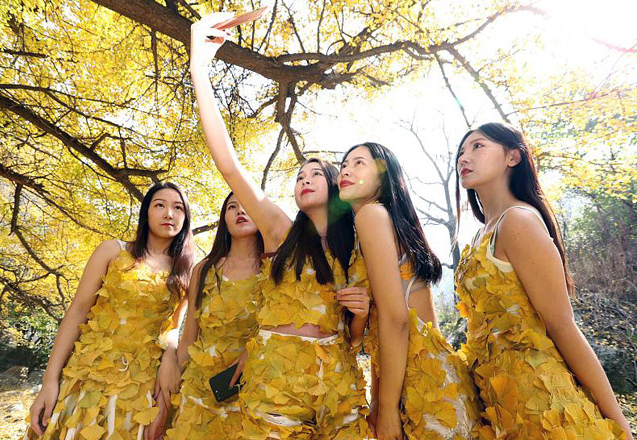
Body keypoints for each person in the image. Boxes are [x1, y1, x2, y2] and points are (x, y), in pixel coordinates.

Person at [188, 13, 371, 439]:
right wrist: (200, 67)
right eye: (299, 176)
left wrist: (360, 316)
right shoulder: (281, 233)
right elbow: (229, 165)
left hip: (337, 384)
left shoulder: (358, 242)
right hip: (274, 384)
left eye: (315, 173)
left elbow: (354, 337)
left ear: (337, 184)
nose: (305, 179)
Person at [455, 122, 631, 439]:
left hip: (544, 408)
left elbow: (562, 326)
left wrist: (620, 426)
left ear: (513, 157)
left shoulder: (517, 221)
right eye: (461, 151)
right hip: (499, 410)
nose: (464, 158)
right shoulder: (482, 233)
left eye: (478, 146)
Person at [24, 182, 194, 440]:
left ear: (185, 217)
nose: (169, 213)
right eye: (160, 205)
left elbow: (173, 328)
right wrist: (49, 381)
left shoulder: (186, 271)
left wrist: (170, 355)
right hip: (89, 374)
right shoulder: (112, 251)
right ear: (146, 212)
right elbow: (78, 311)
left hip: (142, 383)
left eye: (178, 208)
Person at [339, 142, 481, 440]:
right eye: (344, 165)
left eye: (359, 163)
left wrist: (387, 407)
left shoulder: (371, 216)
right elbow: (384, 328)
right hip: (431, 375)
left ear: (383, 176)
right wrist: (378, 399)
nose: (346, 171)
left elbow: (396, 319)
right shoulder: (387, 221)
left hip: (419, 385)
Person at [160, 192, 263, 439]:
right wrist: (171, 402)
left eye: (247, 205)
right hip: (199, 393)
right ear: (224, 218)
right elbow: (189, 338)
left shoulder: (275, 268)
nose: (240, 211)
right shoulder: (204, 269)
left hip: (254, 393)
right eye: (232, 207)